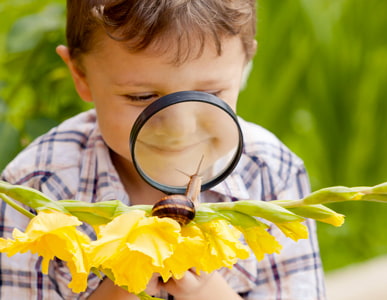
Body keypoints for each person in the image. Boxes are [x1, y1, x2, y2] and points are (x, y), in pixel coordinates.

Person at [0, 0, 326, 299]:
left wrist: (207, 293)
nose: (178, 128)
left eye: (211, 92)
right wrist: (125, 282)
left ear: (244, 66)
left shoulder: (271, 171)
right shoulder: (36, 184)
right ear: (81, 75)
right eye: (142, 97)